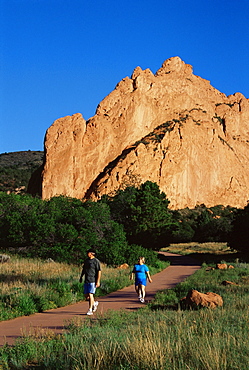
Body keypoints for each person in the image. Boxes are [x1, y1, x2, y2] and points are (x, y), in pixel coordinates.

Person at [79, 248, 101, 315]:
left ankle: (90, 309)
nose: (87, 254)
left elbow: (99, 271)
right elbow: (84, 270)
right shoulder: (86, 261)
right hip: (86, 280)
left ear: (92, 253)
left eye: (88, 253)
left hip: (93, 280)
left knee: (91, 294)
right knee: (86, 296)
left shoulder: (96, 261)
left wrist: (98, 281)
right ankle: (94, 303)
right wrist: (81, 277)